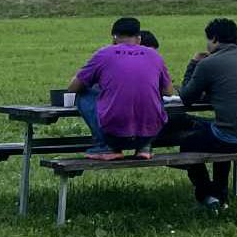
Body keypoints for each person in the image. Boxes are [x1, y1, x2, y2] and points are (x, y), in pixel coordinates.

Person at [159, 18, 237, 211]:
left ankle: (206, 195)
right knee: (208, 131)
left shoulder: (209, 63)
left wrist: (194, 63)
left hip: (232, 136)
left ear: (215, 39)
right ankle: (220, 194)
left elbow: (187, 97)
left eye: (208, 40)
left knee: (189, 143)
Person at [68, 17, 171, 161]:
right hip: (149, 135)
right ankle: (144, 147)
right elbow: (168, 92)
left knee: (83, 95)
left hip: (114, 136)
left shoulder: (104, 54)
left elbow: (73, 87)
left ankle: (105, 147)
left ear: (114, 38)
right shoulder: (155, 55)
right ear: (139, 38)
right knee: (156, 96)